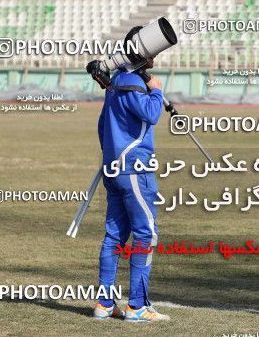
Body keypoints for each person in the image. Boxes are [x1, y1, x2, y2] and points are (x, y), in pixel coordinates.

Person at [93, 60, 170, 322]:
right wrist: (157, 90)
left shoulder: (114, 83)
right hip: (135, 168)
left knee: (114, 236)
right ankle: (137, 306)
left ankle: (104, 304)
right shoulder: (133, 83)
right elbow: (151, 114)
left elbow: (102, 126)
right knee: (145, 235)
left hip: (114, 168)